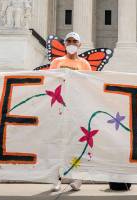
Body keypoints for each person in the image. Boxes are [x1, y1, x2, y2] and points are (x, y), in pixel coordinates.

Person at [51, 32, 90, 192]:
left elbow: (89, 85)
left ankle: (78, 178)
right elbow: (50, 80)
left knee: (77, 142)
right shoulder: (57, 61)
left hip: (77, 106)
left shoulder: (85, 64)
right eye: (69, 41)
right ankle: (56, 178)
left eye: (75, 41)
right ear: (65, 44)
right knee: (57, 142)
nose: (72, 43)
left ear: (79, 45)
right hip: (59, 107)